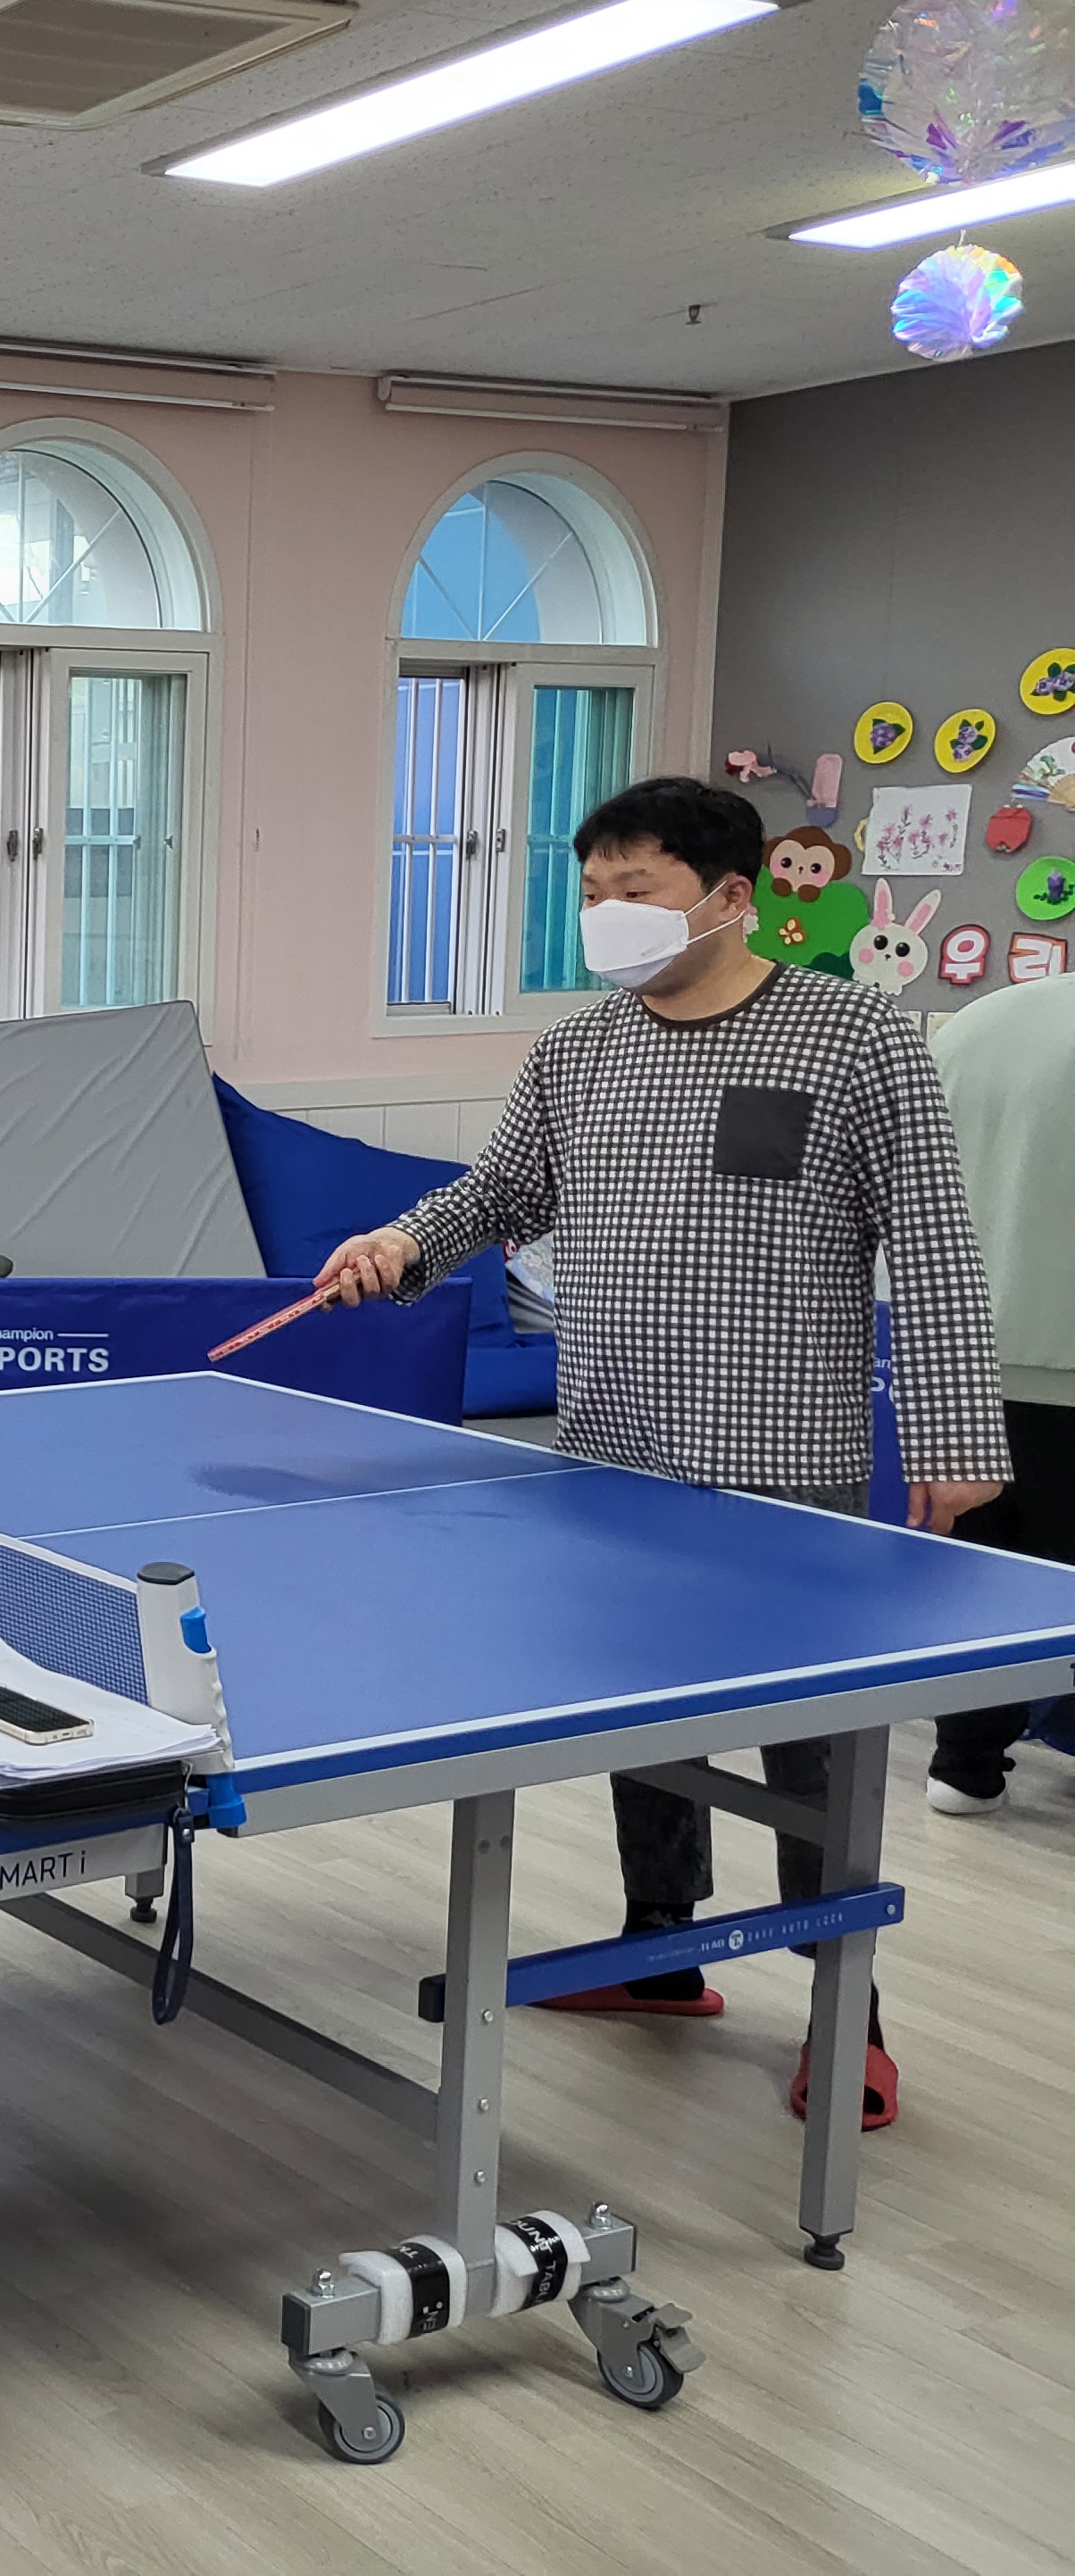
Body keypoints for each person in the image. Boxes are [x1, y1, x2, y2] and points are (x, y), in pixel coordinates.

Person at [316, 778, 1004, 2130]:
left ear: (731, 898)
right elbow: (504, 1191)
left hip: (781, 1462)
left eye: (635, 891)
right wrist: (405, 1242)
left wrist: (953, 1431)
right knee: (644, 1722)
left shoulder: (857, 1037)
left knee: (814, 1752)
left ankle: (844, 2006)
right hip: (614, 1451)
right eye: (593, 893)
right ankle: (661, 1950)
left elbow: (930, 1241)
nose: (606, 916)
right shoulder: (577, 1051)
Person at [925, 968, 1075, 1813]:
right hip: (1064, 1349)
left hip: (959, 1353)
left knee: (980, 1574)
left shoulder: (978, 1022)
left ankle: (964, 1765)